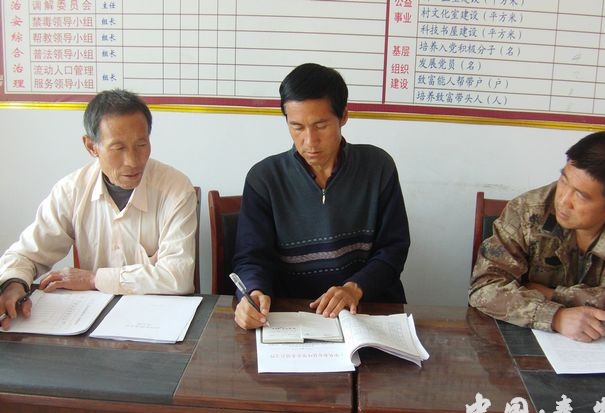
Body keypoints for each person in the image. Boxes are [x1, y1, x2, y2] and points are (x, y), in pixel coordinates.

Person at [232, 62, 410, 331]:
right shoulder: (264, 179)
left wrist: (354, 288)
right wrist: (254, 292)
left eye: (321, 125)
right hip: (293, 317)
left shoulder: (377, 167)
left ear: (344, 116)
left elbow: (393, 249)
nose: (310, 141)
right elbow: (251, 257)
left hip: (367, 310)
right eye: (297, 127)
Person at [0, 89, 197, 330]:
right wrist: (13, 284)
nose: (133, 161)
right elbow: (26, 254)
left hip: (161, 324)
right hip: (91, 323)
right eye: (118, 148)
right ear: (91, 146)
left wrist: (94, 279)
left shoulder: (175, 188)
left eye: (141, 144)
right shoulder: (72, 190)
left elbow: (178, 277)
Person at [469, 130, 605, 342]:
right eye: (564, 180)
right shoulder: (528, 210)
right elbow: (485, 288)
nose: (563, 201)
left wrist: (552, 295)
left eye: (581, 196)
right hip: (526, 344)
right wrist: (556, 317)